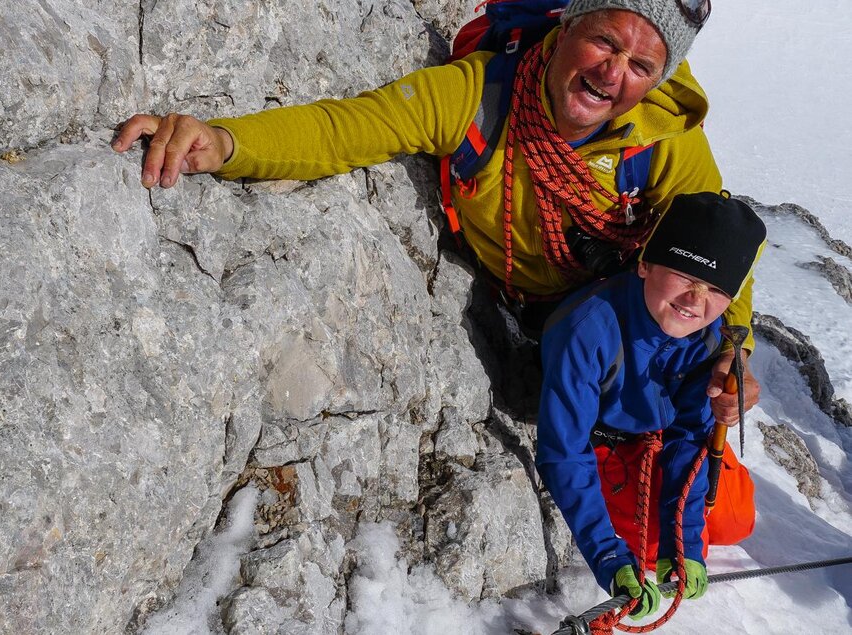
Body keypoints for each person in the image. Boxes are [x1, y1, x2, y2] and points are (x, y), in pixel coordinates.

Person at [111, 0, 758, 422]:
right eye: (604, 42)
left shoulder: (665, 137)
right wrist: (223, 142)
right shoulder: (477, 95)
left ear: (661, 78)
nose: (615, 73)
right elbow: (345, 130)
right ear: (569, 22)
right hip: (554, 315)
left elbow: (722, 246)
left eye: (643, 64)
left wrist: (737, 349)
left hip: (625, 302)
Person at [536, 191, 765, 618]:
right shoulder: (588, 329)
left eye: (715, 289)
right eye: (684, 276)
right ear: (645, 264)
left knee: (733, 520)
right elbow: (563, 452)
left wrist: (689, 543)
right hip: (604, 443)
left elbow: (691, 437)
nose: (695, 300)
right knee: (647, 548)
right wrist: (607, 556)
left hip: (660, 440)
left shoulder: (709, 337)